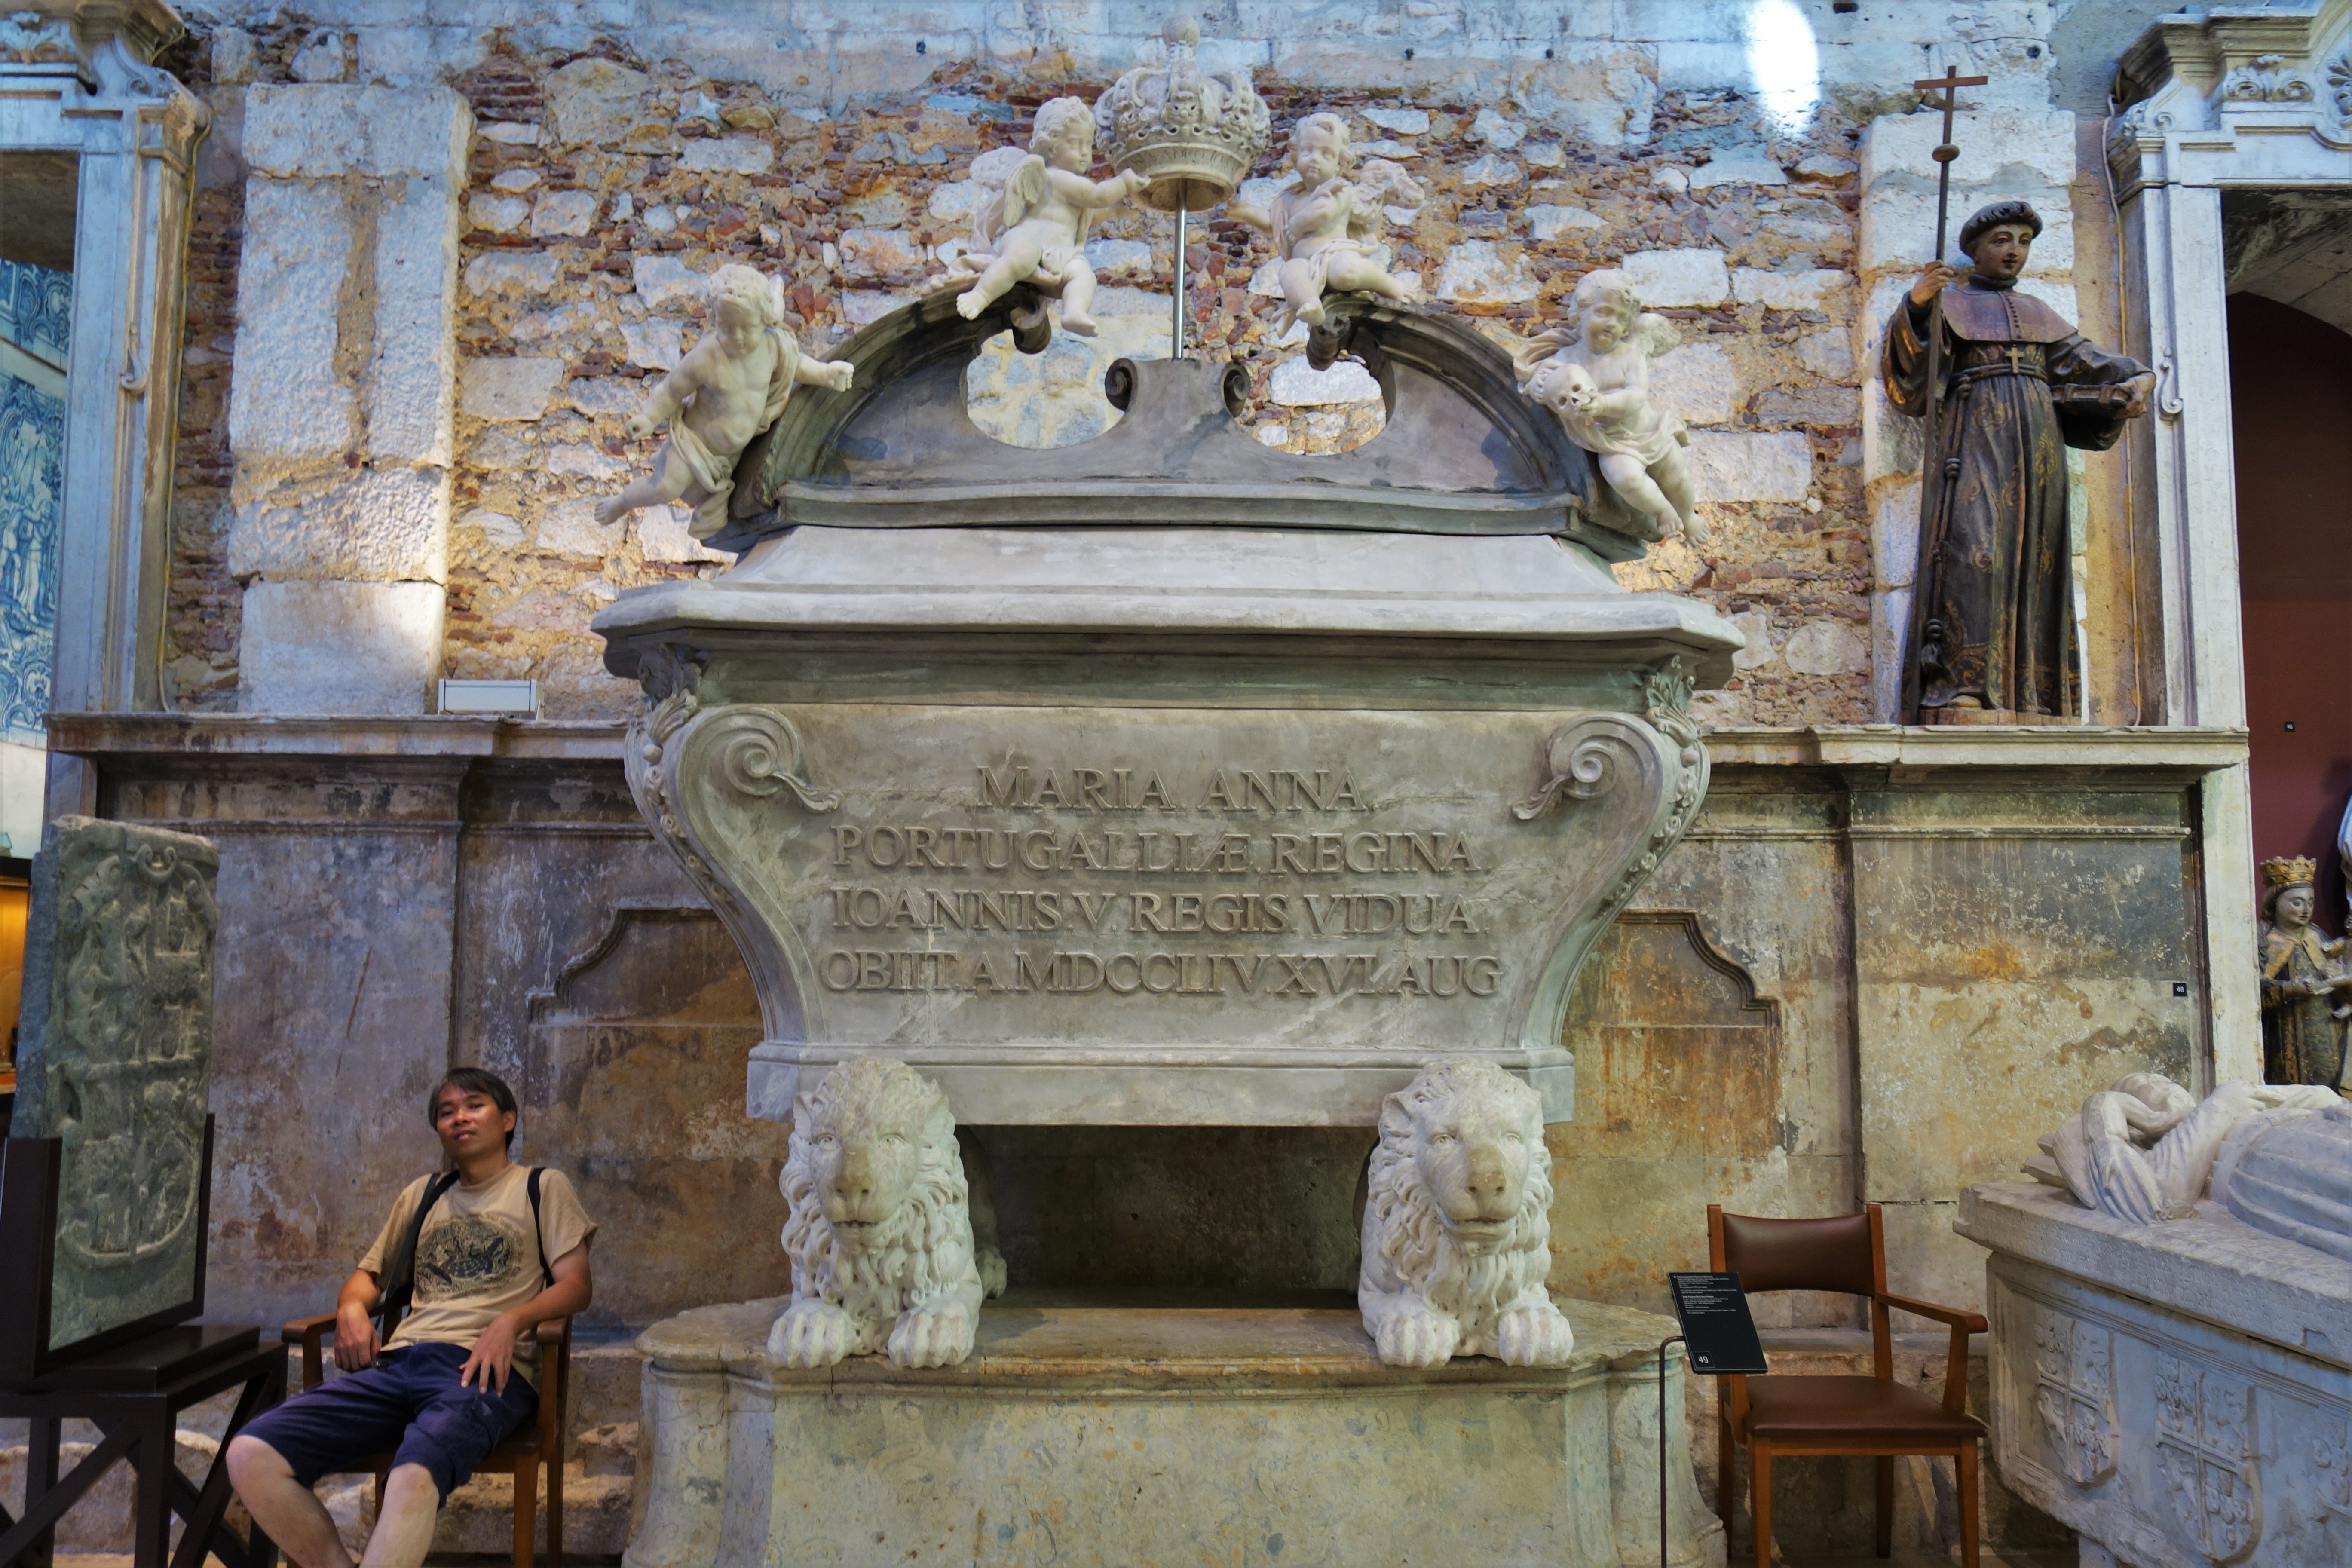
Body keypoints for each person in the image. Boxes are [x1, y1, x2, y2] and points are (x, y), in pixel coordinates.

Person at [227, 1069, 596, 1568]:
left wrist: (509, 1322)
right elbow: (367, 1278)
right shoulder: (425, 1195)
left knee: (413, 1476)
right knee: (250, 1454)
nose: (459, 1118)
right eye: (446, 1112)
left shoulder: (541, 1187)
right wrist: (351, 1307)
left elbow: (576, 1285)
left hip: (481, 1371)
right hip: (398, 1366)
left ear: (508, 1119)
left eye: (474, 1105)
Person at [1881, 199, 2155, 723]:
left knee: (2036, 558)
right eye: (2002, 240)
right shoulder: (1949, 305)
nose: (2014, 251)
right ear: (1976, 249)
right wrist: (1916, 306)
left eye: (2024, 242)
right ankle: (1961, 687)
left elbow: (2089, 362)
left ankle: (2036, 696)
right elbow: (1913, 378)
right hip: (1976, 437)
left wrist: (2139, 377)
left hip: (2037, 447)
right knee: (1973, 553)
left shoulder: (2037, 312)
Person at [594, 264, 853, 536]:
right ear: (714, 320)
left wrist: (825, 374)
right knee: (665, 488)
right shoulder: (707, 358)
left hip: (731, 454)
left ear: (764, 321)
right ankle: (620, 503)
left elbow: (795, 365)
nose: (737, 337)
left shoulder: (772, 347)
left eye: (747, 328)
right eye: (726, 328)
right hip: (695, 442)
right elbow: (671, 391)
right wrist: (649, 418)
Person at [1513, 269, 1706, 545]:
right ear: (1579, 315)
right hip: (1611, 442)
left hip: (1650, 431)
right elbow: (1545, 386)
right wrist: (1539, 388)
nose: (1611, 324)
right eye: (1603, 313)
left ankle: (1688, 517)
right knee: (1626, 479)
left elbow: (1636, 397)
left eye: (1621, 318)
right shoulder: (1566, 358)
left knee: (1677, 478)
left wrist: (1602, 403)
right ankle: (1661, 509)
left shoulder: (1630, 357)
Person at [1226, 112, 1423, 334]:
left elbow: (1322, 213)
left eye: (1326, 154)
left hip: (1336, 254)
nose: (1315, 159)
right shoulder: (1291, 199)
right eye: (1307, 151)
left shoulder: (1338, 190)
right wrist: (1245, 212)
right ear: (1296, 156)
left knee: (1345, 272)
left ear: (1340, 164)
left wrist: (1297, 225)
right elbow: (1274, 223)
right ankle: (1310, 304)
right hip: (1306, 263)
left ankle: (1390, 285)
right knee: (1289, 271)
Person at [2256, 854, 2352, 1087]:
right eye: (2297, 903)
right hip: (2286, 1029)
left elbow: (2339, 969)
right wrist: (2290, 989)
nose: (2306, 910)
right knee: (2294, 1091)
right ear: (2275, 903)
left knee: (2328, 1089)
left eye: (2310, 902)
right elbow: (2251, 992)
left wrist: (2338, 978)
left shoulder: (2317, 936)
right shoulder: (2265, 941)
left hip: (2329, 1025)